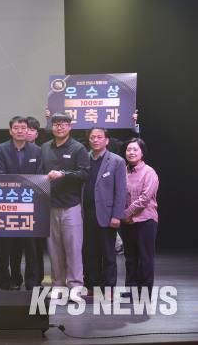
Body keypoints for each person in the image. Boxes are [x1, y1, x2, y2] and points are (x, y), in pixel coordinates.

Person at [41, 113, 89, 299]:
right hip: (50, 205)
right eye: (56, 124)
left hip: (71, 206)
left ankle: (76, 285)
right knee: (54, 249)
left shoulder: (78, 148)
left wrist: (63, 174)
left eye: (63, 124)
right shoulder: (45, 147)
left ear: (70, 127)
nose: (59, 127)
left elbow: (84, 174)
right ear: (52, 127)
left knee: (73, 249)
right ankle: (58, 285)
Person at [0, 116, 45, 290]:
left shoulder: (36, 151)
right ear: (10, 131)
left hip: (30, 206)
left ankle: (32, 282)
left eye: (23, 127)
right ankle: (7, 282)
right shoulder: (0, 150)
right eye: (16, 127)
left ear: (28, 130)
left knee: (31, 248)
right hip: (6, 205)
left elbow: (39, 176)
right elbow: (0, 176)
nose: (20, 130)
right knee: (6, 248)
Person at [82, 128, 127, 297]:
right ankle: (92, 285)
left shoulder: (117, 161)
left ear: (107, 140)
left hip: (107, 215)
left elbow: (121, 191)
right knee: (89, 252)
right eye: (92, 137)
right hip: (86, 214)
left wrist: (117, 215)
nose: (95, 140)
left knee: (108, 253)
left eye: (99, 137)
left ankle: (108, 288)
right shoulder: (83, 158)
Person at [122, 138, 159, 293]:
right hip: (126, 221)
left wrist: (126, 213)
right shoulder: (122, 171)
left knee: (145, 257)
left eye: (135, 149)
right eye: (129, 149)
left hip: (145, 219)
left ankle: (144, 291)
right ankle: (131, 289)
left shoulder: (149, 172)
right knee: (130, 257)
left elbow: (145, 198)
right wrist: (124, 216)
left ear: (142, 153)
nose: (131, 152)